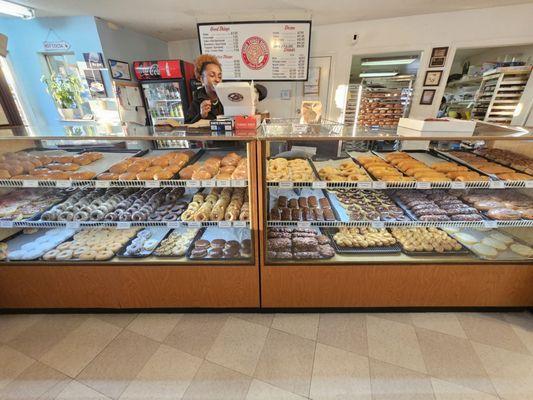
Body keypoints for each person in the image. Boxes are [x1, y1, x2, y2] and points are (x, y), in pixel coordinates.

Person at [186, 54, 224, 123]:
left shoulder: (226, 97)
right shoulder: (196, 102)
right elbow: (188, 128)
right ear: (201, 79)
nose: (217, 80)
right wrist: (201, 116)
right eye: (212, 75)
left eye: (219, 76)